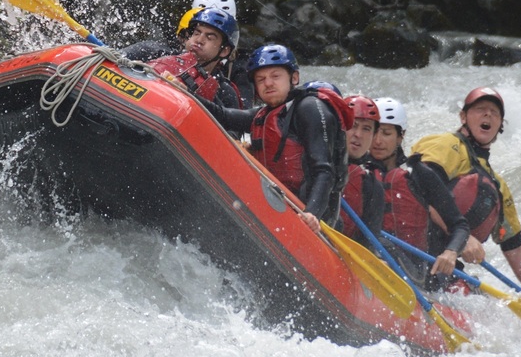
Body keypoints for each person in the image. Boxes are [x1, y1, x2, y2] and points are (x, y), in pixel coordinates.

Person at [199, 45, 352, 233]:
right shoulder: (264, 115)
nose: (268, 83)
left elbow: (324, 170)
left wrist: (312, 213)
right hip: (277, 208)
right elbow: (224, 115)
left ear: (294, 78)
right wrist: (183, 90)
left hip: (311, 215)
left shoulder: (308, 108)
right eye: (261, 79)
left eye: (275, 76)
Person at [410, 87, 521, 287]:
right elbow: (418, 192)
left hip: (443, 261)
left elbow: (514, 247)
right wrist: (462, 238)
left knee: (480, 301)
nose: (488, 114)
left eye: (494, 112)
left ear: (500, 126)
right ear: (463, 117)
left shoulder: (497, 184)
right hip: (409, 246)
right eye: (480, 109)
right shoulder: (446, 145)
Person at [370, 97, 471, 290]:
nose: (378, 140)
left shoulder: (417, 174)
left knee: (386, 246)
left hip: (412, 272)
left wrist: (450, 252)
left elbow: (460, 225)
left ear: (401, 136)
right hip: (368, 257)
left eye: (386, 133)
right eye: (373, 131)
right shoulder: (357, 170)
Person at [150, 7, 243, 108]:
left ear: (224, 50)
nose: (199, 40)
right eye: (196, 33)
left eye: (210, 37)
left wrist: (189, 94)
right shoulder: (156, 53)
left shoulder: (224, 93)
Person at [337, 95, 386, 246]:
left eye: (366, 129)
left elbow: (367, 244)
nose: (358, 134)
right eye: (353, 125)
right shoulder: (315, 160)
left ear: (373, 136)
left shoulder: (372, 186)